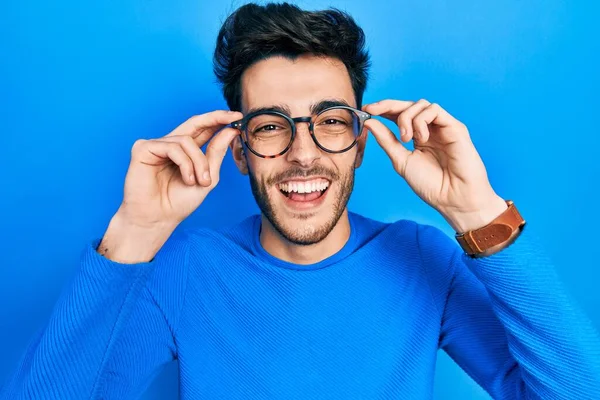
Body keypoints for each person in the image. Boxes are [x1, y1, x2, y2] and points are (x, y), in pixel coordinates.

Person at [2, 2, 599, 399]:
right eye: (269, 126)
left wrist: (478, 214)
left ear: (361, 144)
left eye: (330, 122)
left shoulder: (422, 258)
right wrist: (134, 231)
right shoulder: (186, 269)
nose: (302, 154)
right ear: (238, 151)